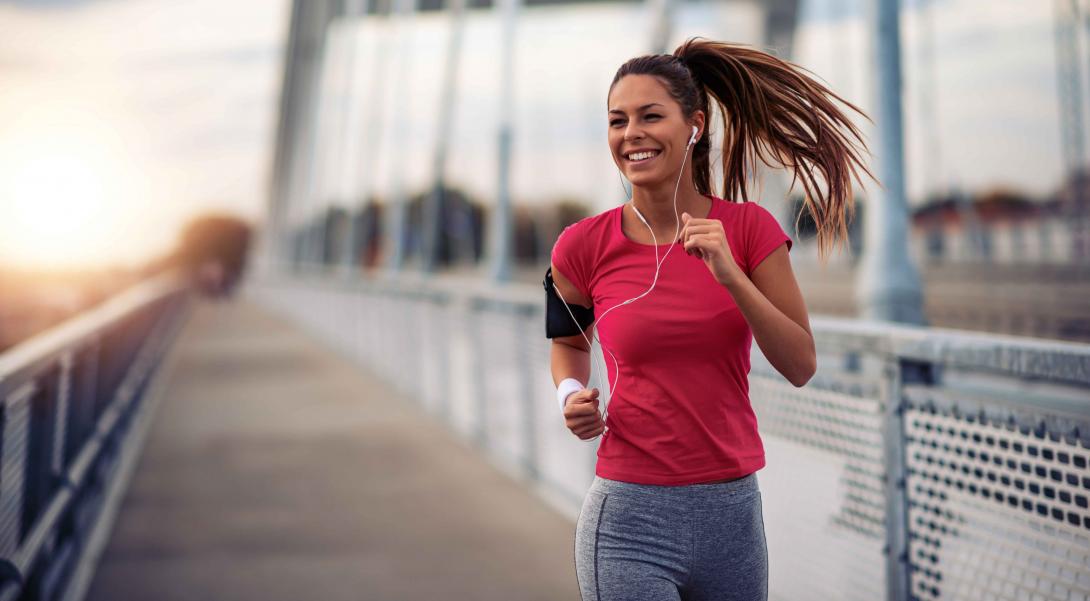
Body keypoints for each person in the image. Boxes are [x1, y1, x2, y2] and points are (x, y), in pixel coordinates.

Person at [546, 38, 873, 601]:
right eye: (617, 121)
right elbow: (568, 346)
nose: (631, 134)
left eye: (652, 116)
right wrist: (570, 394)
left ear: (694, 126)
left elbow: (800, 364)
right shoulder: (579, 246)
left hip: (733, 520)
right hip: (628, 520)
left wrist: (731, 275)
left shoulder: (750, 231)